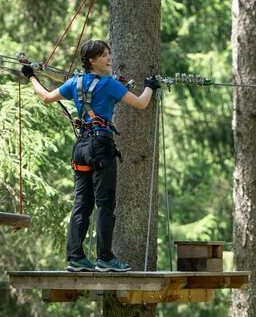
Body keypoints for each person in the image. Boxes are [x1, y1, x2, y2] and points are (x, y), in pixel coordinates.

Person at [21, 40, 160, 272]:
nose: (109, 58)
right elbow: (141, 103)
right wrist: (150, 86)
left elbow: (46, 97)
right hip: (101, 146)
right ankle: (104, 258)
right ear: (92, 61)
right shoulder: (109, 84)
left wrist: (31, 76)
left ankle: (76, 257)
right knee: (105, 203)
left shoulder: (74, 83)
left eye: (109, 53)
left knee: (82, 203)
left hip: (81, 148)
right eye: (104, 55)